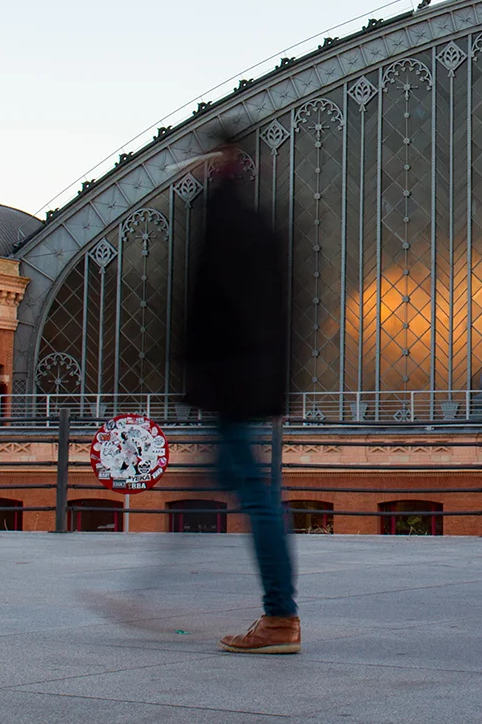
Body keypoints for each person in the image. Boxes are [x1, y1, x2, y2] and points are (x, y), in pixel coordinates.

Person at [182, 142, 299, 653]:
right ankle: (279, 616)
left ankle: (280, 618)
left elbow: (212, 310)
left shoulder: (226, 222)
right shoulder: (258, 223)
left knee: (256, 496)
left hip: (231, 383)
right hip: (248, 382)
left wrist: (203, 380)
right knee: (245, 486)